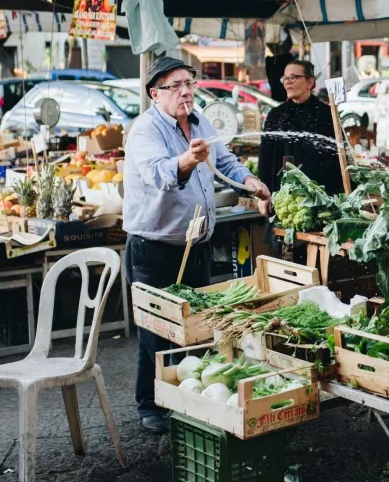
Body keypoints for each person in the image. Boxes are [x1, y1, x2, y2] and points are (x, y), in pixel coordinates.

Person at [123, 56, 270, 434]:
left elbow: (226, 162)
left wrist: (250, 183)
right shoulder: (145, 130)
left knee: (197, 325)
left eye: (190, 82)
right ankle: (150, 405)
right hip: (156, 248)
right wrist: (187, 160)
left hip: (197, 244)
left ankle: (187, 397)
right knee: (158, 330)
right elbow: (159, 175)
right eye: (176, 85)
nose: (186, 91)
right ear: (156, 93)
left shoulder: (201, 121)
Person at [257, 60, 344, 216]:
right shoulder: (275, 115)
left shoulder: (327, 114)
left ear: (309, 82)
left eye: (293, 77)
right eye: (285, 78)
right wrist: (263, 195)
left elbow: (339, 158)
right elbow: (265, 158)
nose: (288, 83)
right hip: (284, 199)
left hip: (322, 199)